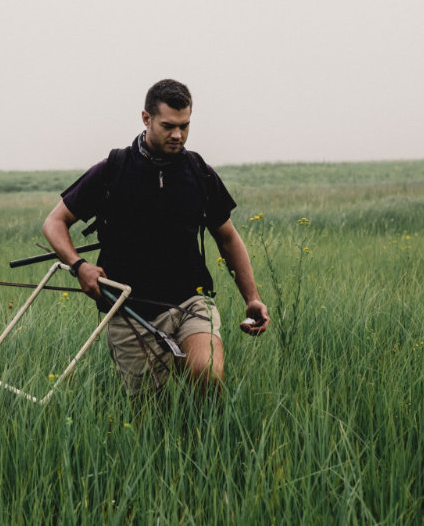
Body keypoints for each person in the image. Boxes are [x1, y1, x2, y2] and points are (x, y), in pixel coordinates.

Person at [42, 79, 269, 395]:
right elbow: (54, 222)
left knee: (207, 374)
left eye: (185, 126)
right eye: (168, 126)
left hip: (192, 298)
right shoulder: (114, 169)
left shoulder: (198, 171)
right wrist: (80, 266)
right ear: (146, 118)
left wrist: (252, 298)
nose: (178, 134)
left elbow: (228, 238)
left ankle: (209, 438)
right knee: (150, 412)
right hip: (129, 307)